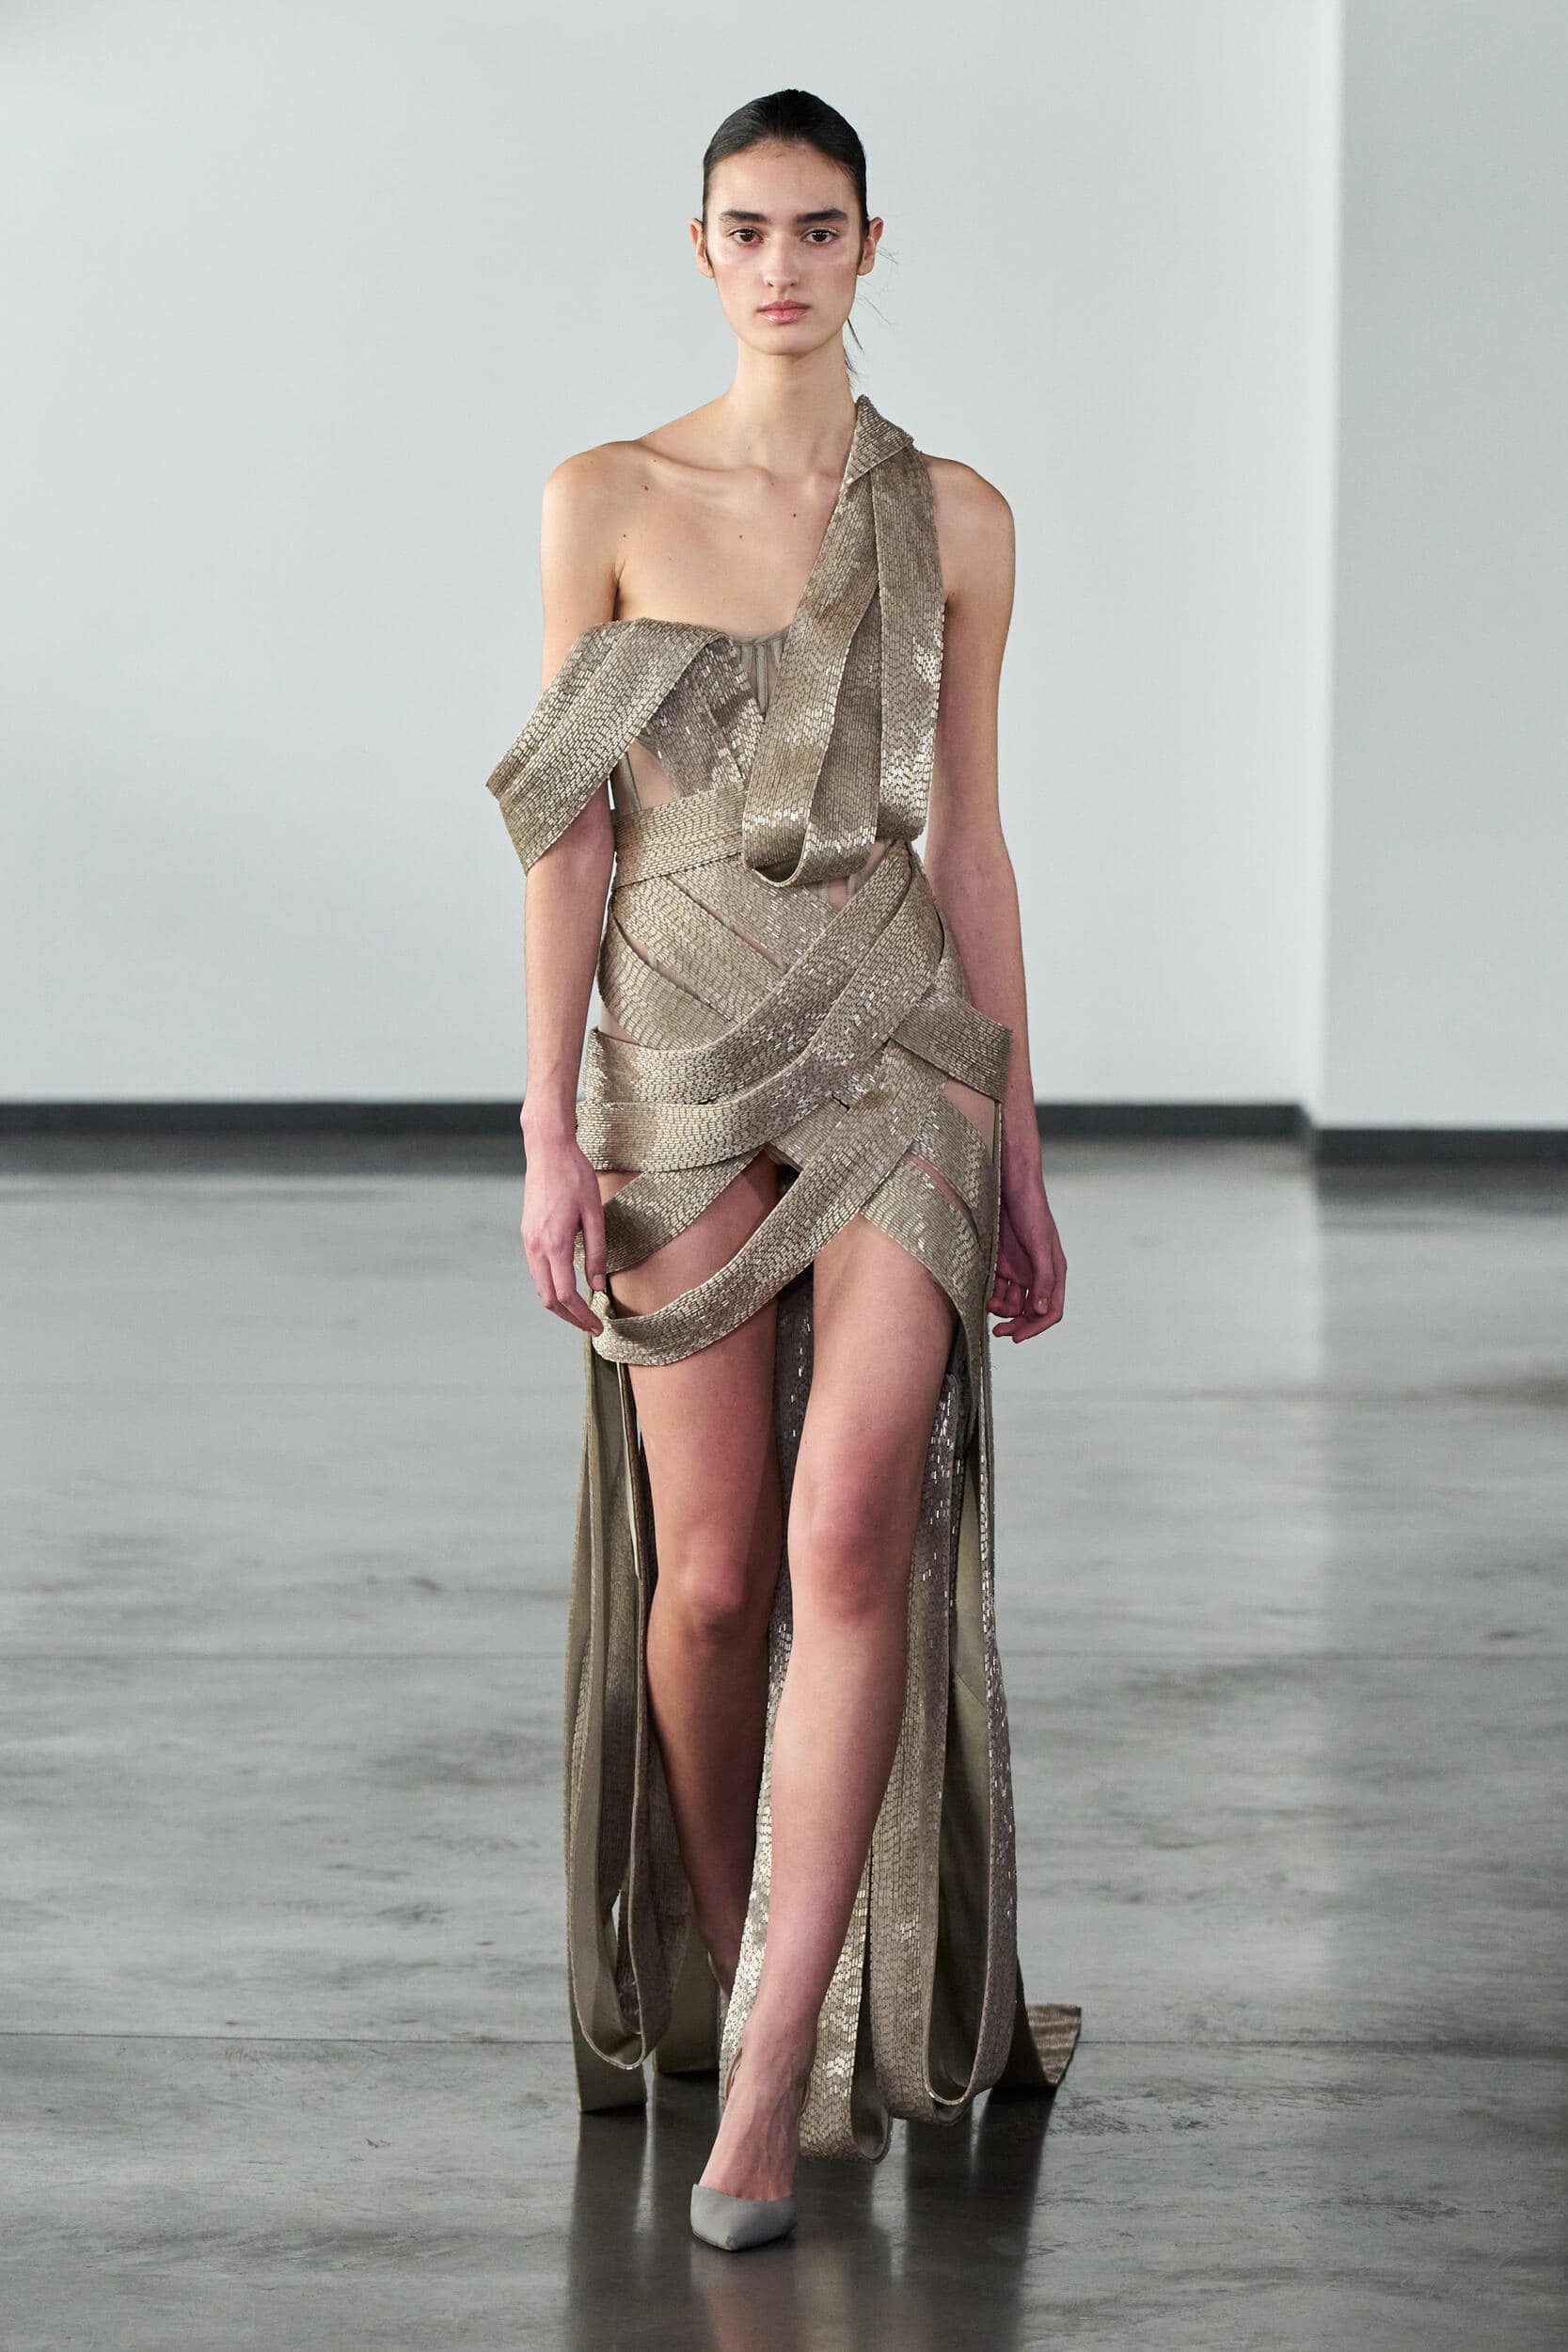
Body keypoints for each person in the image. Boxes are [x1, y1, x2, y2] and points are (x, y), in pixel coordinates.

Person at [483, 87, 1079, 2253]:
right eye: (748, 227)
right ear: (703, 249)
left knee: (849, 1535)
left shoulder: (957, 516)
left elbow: (974, 839)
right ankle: (754, 1963)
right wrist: (547, 1123)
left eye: (820, 227)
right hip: (675, 1062)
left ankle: (765, 2084)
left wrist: (1023, 1140)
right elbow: (571, 835)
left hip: (901, 1049)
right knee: (719, 1573)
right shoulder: (607, 498)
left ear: (869, 245)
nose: (784, 264)